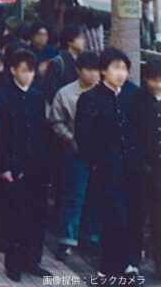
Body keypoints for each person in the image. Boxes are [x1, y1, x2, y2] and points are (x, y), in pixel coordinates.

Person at [75, 48, 146, 279]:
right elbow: (83, 136)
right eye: (115, 68)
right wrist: (95, 163)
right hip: (107, 169)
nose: (120, 73)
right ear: (104, 70)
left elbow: (142, 129)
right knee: (116, 218)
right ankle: (111, 268)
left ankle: (128, 266)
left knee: (134, 215)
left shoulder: (134, 94)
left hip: (133, 167)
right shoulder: (91, 98)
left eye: (124, 69)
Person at [0, 49, 52, 282]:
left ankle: (32, 260)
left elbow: (42, 131)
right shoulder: (2, 95)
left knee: (37, 214)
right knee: (15, 214)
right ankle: (13, 263)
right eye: (24, 71)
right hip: (14, 164)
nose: (28, 75)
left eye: (31, 71)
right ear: (13, 70)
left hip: (36, 163)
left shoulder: (37, 96)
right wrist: (4, 166)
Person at [49, 52, 101, 260]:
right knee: (74, 196)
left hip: (99, 154)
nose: (94, 74)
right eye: (89, 69)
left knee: (95, 195)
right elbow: (56, 121)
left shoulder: (103, 92)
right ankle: (66, 240)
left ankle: (92, 236)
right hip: (75, 152)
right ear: (79, 70)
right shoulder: (65, 93)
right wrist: (71, 140)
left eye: (96, 69)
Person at [135, 58, 161, 276]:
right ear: (146, 79)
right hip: (145, 169)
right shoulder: (138, 100)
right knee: (142, 215)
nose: (159, 85)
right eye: (154, 80)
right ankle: (134, 262)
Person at [43, 24, 86, 104]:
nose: (84, 41)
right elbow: (51, 93)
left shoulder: (84, 60)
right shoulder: (57, 63)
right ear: (70, 41)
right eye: (80, 37)